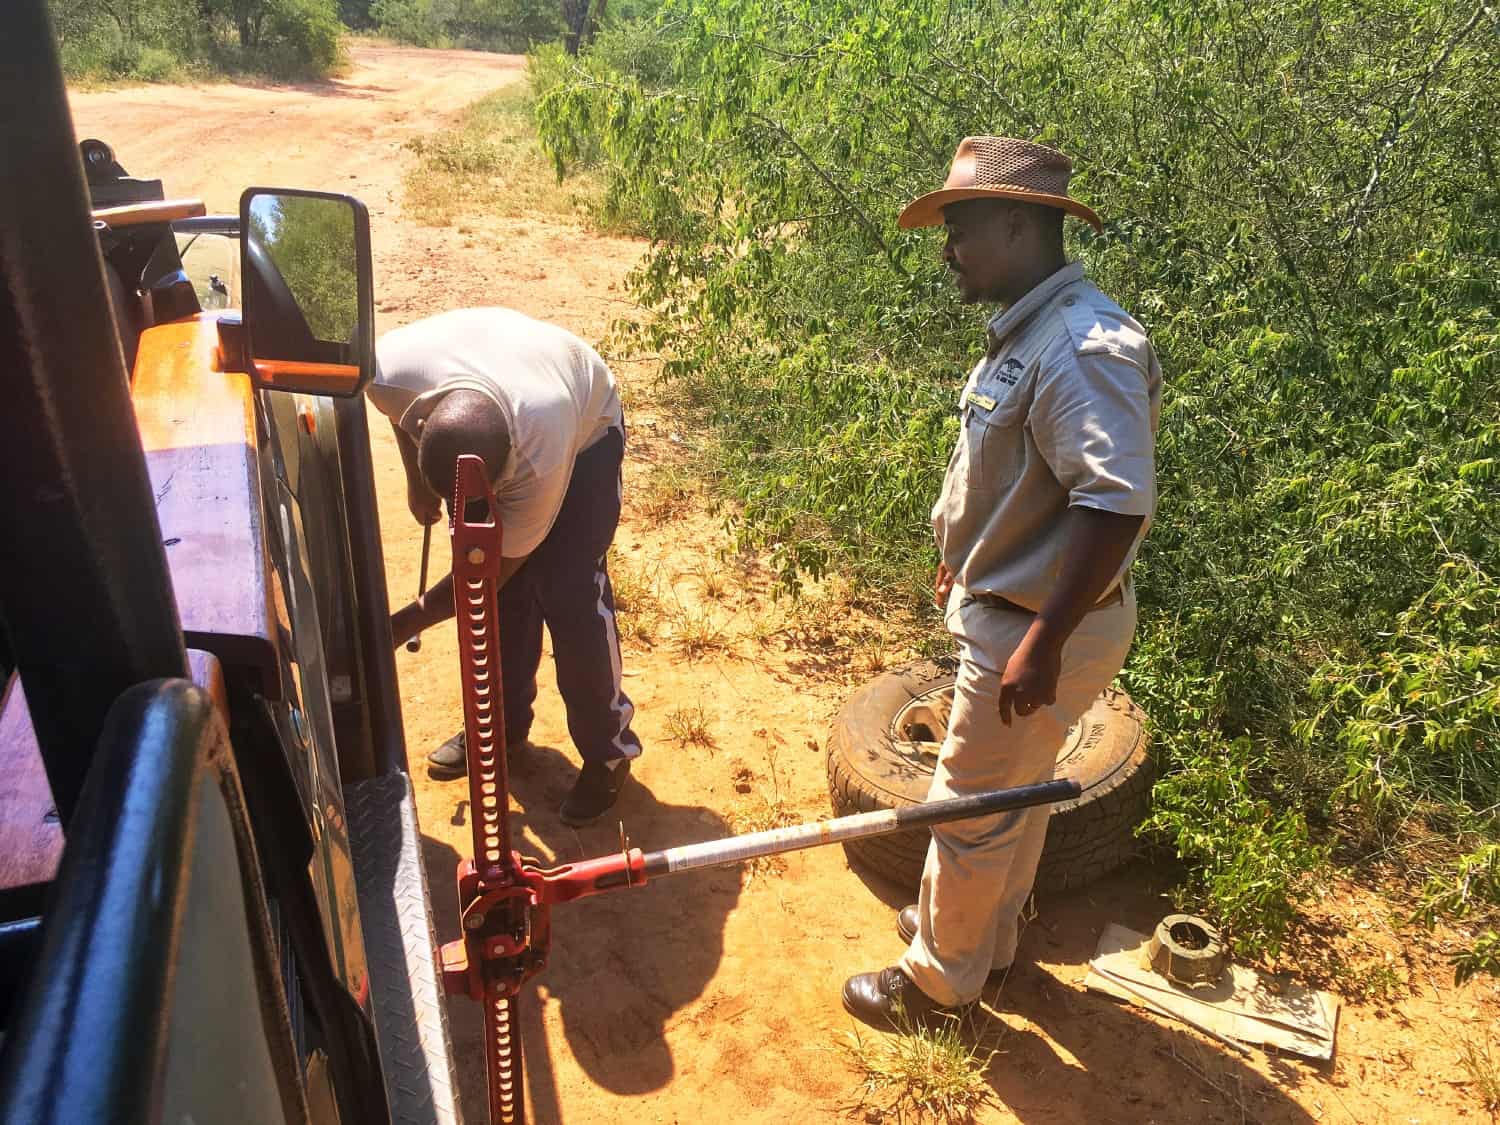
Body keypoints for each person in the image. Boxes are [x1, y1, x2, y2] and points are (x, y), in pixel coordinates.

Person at [841, 137, 1161, 1029]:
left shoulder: (1080, 346)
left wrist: (1041, 643)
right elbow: (1022, 477)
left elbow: (1112, 503)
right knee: (1012, 797)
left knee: (970, 808)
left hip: (1037, 626)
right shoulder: (1032, 329)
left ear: (1021, 223)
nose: (947, 248)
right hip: (1021, 608)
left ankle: (939, 983)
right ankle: (990, 941)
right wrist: (967, 547)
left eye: (961, 227)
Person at [371, 307, 643, 826]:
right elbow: (399, 419)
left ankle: (609, 754)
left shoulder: (539, 454)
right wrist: (414, 480)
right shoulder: (390, 373)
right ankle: (499, 732)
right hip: (508, 381)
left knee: (567, 590)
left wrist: (399, 625)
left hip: (584, 430)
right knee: (504, 604)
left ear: (505, 473)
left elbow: (488, 573)